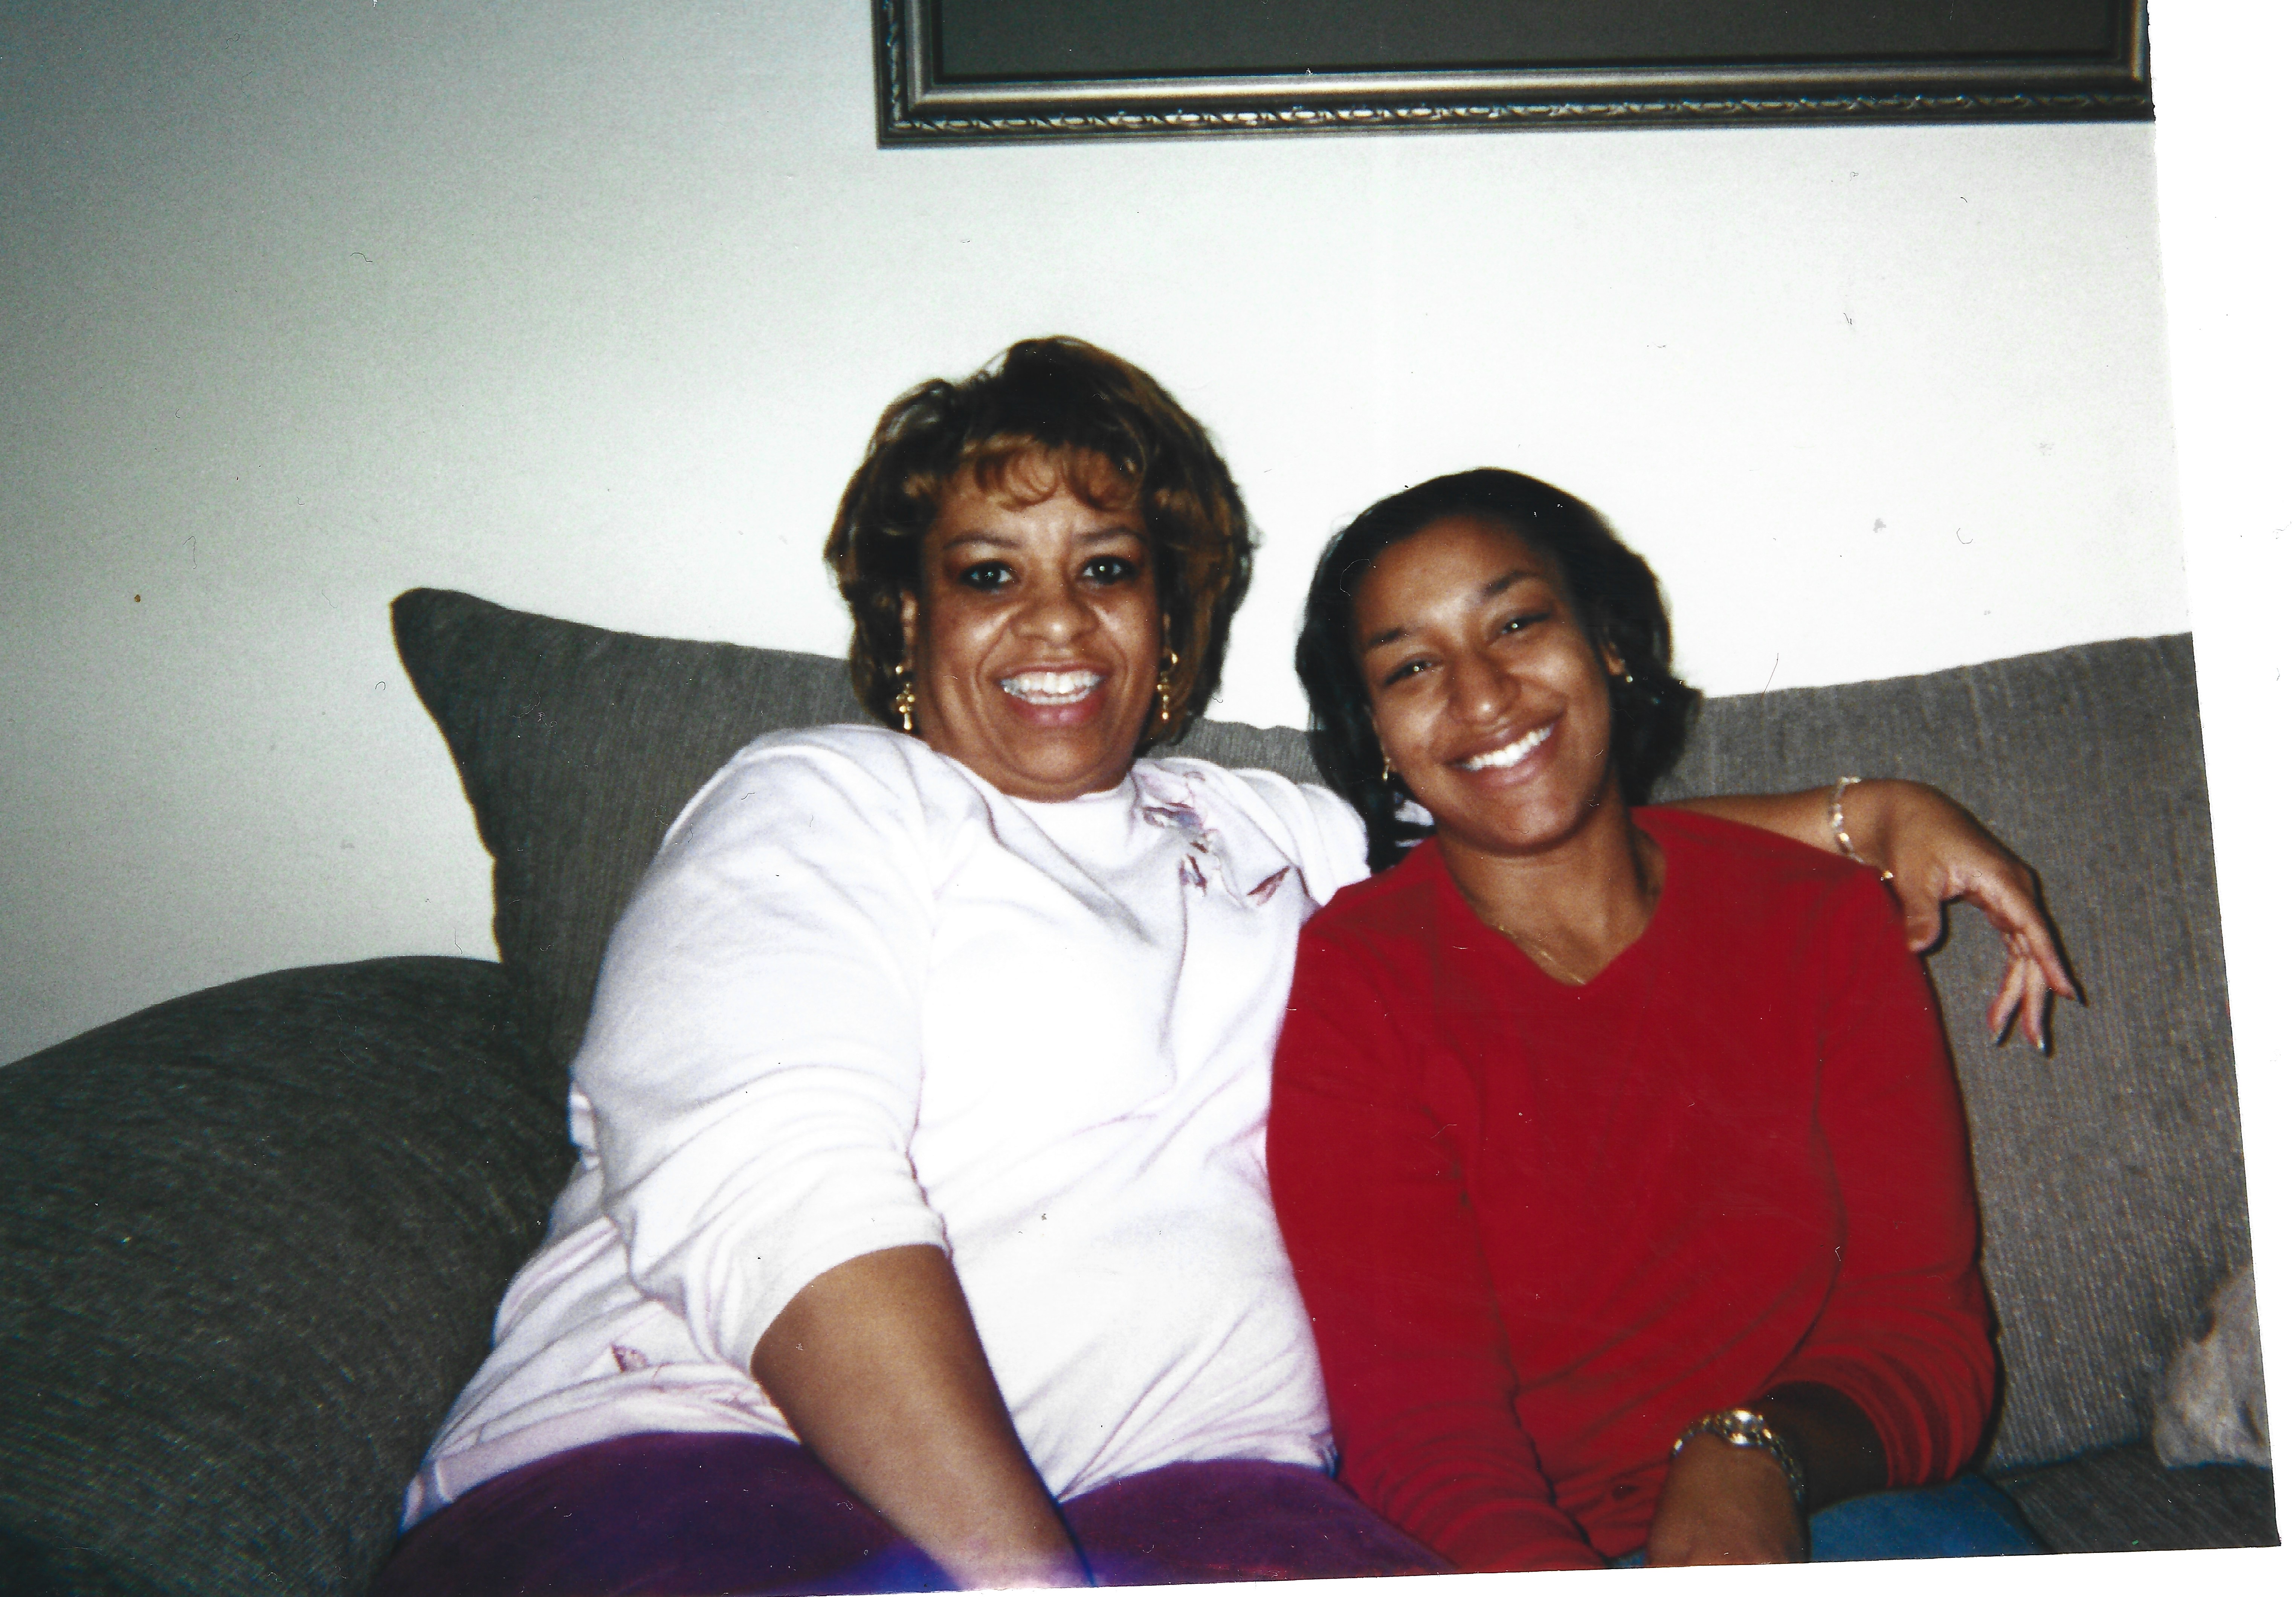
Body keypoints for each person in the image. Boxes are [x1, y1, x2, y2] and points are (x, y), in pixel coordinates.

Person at [377, 345, 2070, 1595]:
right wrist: (1027, 1578)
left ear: (1172, 619)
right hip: (702, 1455)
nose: (1057, 623)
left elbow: (1528, 823)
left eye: (1107, 570)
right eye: (989, 576)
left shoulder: (1279, 834)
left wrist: (1861, 815)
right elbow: (774, 1188)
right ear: (906, 621)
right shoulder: (819, 802)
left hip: (1196, 1493)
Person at [1269, 468, 2053, 1573]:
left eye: (1518, 624)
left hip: (1838, 1495)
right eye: (1412, 666)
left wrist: (1749, 1458)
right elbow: (1417, 1428)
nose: (1483, 695)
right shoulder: (1362, 981)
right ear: (1377, 734)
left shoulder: (1823, 919)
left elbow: (1925, 1336)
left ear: (1610, 643)